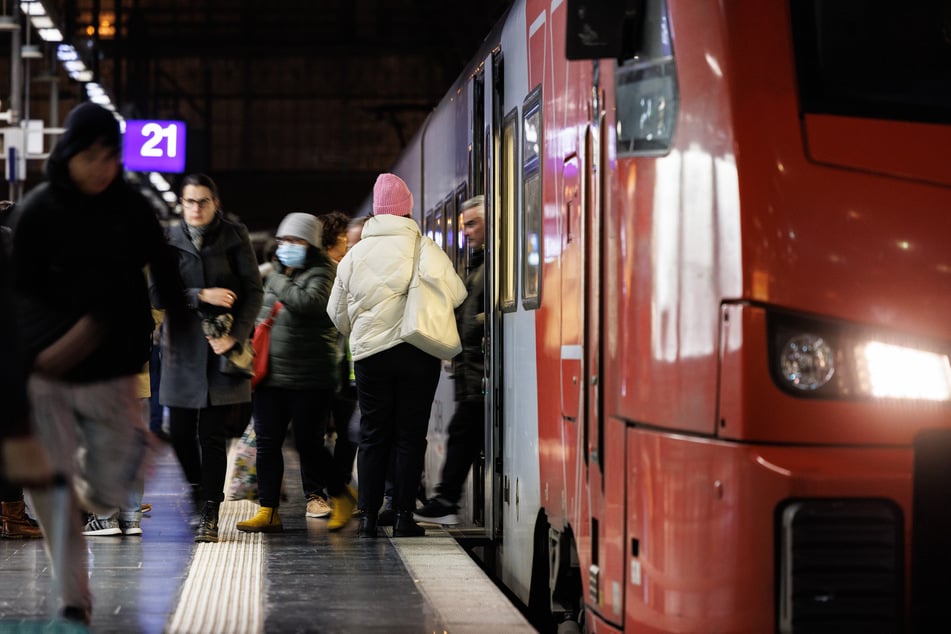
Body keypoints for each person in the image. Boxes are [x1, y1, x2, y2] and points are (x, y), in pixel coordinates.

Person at [10, 101, 187, 625]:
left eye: (110, 156)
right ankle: (74, 603)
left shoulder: (130, 209)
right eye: (89, 156)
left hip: (111, 371)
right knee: (52, 496)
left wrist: (180, 324)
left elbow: (166, 271)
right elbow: (16, 292)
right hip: (46, 373)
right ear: (69, 154)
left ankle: (100, 489)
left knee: (106, 493)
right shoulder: (38, 210)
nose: (100, 167)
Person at [328, 173, 466, 538]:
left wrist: (364, 325)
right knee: (409, 435)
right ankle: (405, 516)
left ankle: (370, 518)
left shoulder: (354, 256)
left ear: (375, 210)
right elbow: (455, 293)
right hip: (418, 352)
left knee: (374, 434)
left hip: (372, 357)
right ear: (407, 209)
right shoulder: (426, 248)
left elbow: (336, 314)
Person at [155, 172, 263, 543]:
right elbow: (156, 293)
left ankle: (210, 512)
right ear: (181, 204)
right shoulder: (166, 239)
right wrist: (201, 294)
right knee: (179, 431)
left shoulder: (235, 235)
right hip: (182, 347)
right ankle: (198, 490)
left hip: (223, 350)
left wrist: (235, 336)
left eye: (203, 201)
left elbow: (253, 290)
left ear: (215, 203)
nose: (196, 208)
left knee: (213, 435)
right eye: (189, 201)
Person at [235, 212, 356, 534]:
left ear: (312, 244)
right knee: (268, 444)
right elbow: (262, 315)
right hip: (270, 375)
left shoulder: (325, 272)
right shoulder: (279, 272)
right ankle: (268, 510)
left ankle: (342, 495)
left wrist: (275, 279)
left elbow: (309, 303)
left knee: (309, 445)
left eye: (296, 241)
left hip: (309, 376)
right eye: (284, 240)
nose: (288, 246)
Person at [414, 195, 486, 525]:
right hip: (471, 370)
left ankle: (447, 497)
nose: (466, 232)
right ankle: (446, 496)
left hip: (479, 371)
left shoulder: (489, 267)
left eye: (472, 224)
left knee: (462, 432)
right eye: (463, 225)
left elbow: (479, 318)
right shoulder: (479, 265)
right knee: (464, 432)